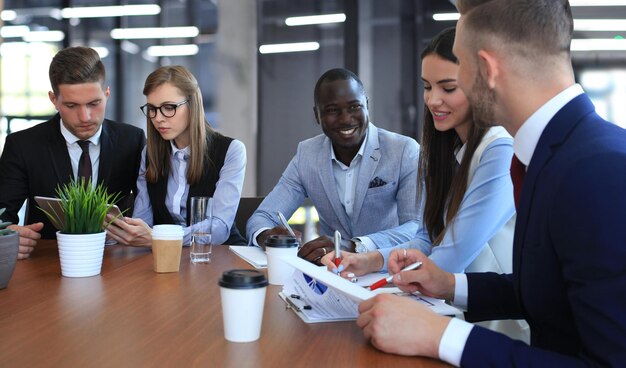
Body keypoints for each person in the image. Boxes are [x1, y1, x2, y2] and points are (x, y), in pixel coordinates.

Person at [357, 0, 626, 366]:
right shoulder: (554, 153)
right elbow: (549, 290)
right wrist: (450, 284)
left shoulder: (598, 169)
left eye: (460, 64)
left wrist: (442, 336)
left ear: (486, 68)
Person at [322, 27, 528, 342]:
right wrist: (370, 260)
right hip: (454, 314)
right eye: (427, 87)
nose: (433, 100)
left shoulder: (500, 150)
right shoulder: (448, 150)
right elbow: (427, 236)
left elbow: (451, 254)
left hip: (499, 325)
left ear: (480, 84)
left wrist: (385, 283)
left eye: (448, 88)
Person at [246, 68, 420, 264]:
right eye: (332, 110)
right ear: (317, 115)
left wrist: (355, 246)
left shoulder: (403, 150)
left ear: (367, 105)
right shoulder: (307, 155)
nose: (346, 119)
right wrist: (268, 235)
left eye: (354, 107)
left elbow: (415, 227)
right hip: (331, 274)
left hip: (387, 271)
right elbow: (262, 217)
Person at [0, 46, 145, 259]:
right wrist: (8, 235)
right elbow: (2, 213)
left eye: (94, 103)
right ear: (53, 100)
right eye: (71, 105)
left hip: (116, 261)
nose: (85, 116)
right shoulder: (23, 145)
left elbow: (152, 208)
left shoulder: (132, 140)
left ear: (107, 94)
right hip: (47, 263)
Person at [105, 65, 246, 247]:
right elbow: (144, 221)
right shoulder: (149, 154)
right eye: (152, 109)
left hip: (219, 256)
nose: (158, 118)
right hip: (168, 258)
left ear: (192, 105)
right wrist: (126, 231)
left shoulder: (231, 151)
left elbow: (219, 229)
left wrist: (160, 237)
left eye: (169, 107)